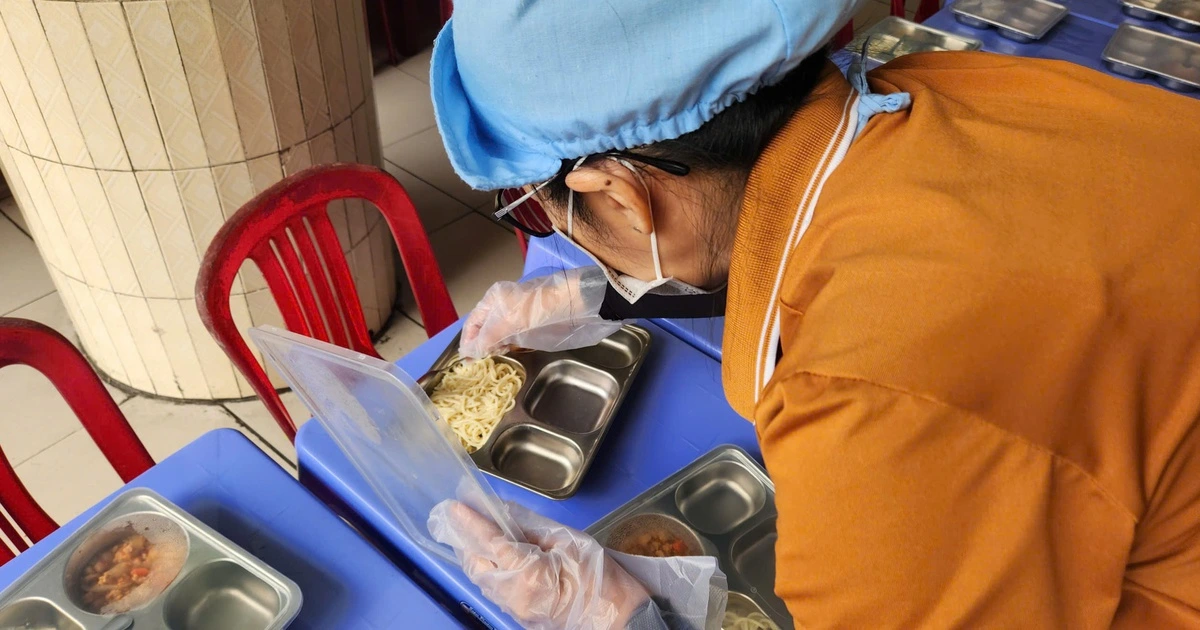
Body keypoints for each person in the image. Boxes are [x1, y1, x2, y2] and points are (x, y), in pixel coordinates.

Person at [427, 0, 1200, 627]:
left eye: (536, 213)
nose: (560, 242)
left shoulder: (872, 403)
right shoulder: (936, 86)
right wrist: (592, 289)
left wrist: (623, 619)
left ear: (622, 196)